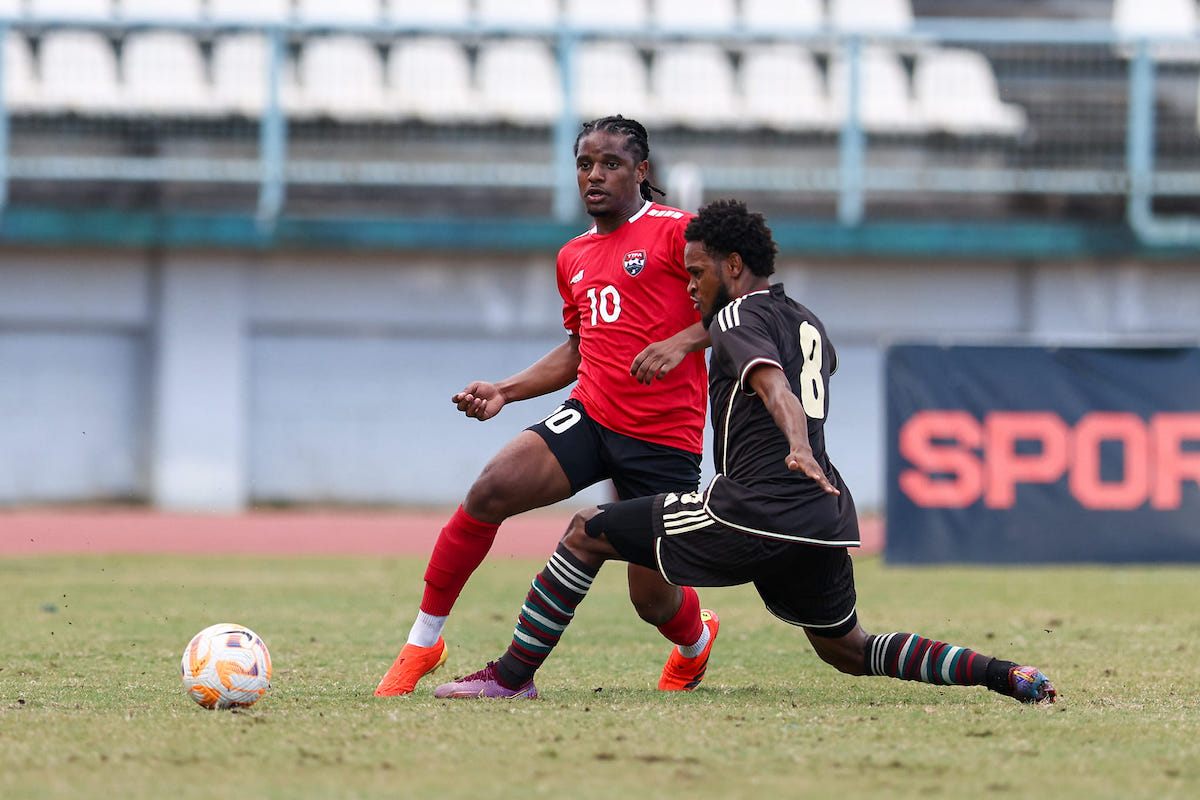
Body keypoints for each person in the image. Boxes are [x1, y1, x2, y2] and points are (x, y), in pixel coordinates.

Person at [432, 199, 1058, 704]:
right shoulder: (807, 321)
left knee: (585, 531)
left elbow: (773, 385)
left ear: (732, 267)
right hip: (821, 517)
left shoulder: (734, 320)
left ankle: (511, 677)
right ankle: (1004, 674)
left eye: (697, 274)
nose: (691, 288)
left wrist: (793, 445)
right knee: (848, 649)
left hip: (756, 506)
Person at [375, 116, 719, 697]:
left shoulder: (679, 233)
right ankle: (423, 641)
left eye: (611, 164)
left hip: (665, 438)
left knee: (651, 598)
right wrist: (506, 391)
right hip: (593, 415)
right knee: (491, 489)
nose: (595, 174)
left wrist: (682, 342)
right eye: (585, 163)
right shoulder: (573, 256)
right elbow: (580, 349)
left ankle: (695, 643)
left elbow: (747, 307)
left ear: (641, 172)